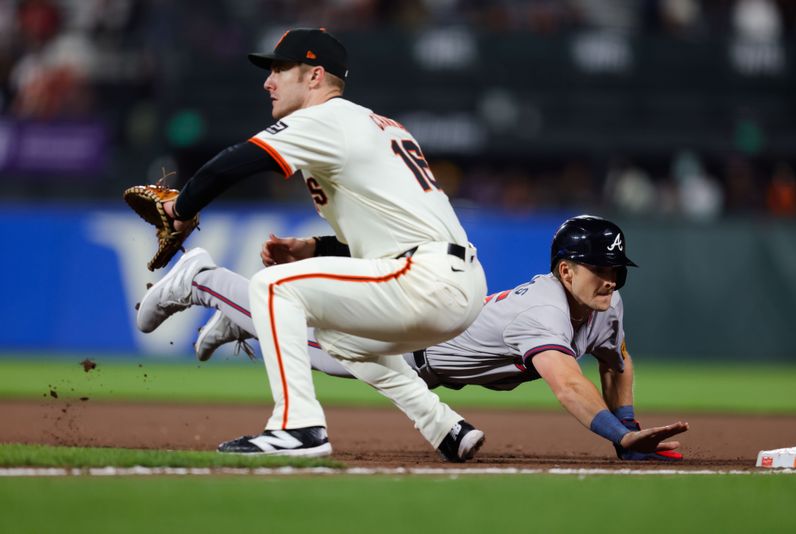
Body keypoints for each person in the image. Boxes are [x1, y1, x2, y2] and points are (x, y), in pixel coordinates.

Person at [135, 28, 489, 461]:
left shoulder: (327, 119)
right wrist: (313, 249)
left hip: (425, 278)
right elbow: (385, 236)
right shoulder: (378, 125)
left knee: (273, 286)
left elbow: (234, 163)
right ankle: (444, 426)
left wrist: (180, 210)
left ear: (315, 76)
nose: (269, 81)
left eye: (280, 69)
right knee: (342, 340)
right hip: (455, 283)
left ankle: (297, 426)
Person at [155, 215, 690, 461]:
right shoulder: (544, 308)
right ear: (566, 270)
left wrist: (629, 430)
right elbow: (569, 384)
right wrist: (619, 439)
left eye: (618, 268)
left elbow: (616, 360)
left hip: (426, 346)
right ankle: (202, 279)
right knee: (313, 350)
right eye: (601, 267)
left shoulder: (605, 302)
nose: (613, 278)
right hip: (402, 347)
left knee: (291, 322)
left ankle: (242, 315)